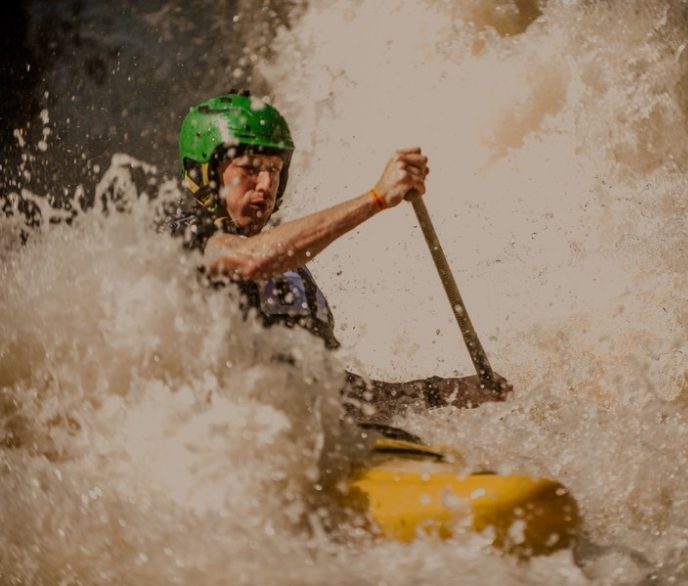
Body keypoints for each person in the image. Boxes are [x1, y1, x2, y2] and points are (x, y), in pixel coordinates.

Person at [167, 90, 510, 421]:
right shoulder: (187, 240)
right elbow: (251, 260)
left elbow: (341, 395)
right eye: (250, 168)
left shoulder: (292, 271)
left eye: (273, 170)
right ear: (206, 175)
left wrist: (443, 394)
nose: (266, 185)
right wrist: (376, 198)